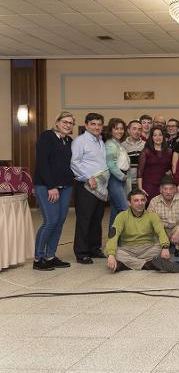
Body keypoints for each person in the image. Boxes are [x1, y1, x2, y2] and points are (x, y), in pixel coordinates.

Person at [33, 111, 75, 271]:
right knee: (50, 221)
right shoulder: (46, 137)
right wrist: (51, 186)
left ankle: (50, 256)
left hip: (66, 186)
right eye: (64, 121)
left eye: (70, 123)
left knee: (60, 221)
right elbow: (42, 163)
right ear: (57, 122)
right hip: (46, 186)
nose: (67, 125)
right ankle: (38, 258)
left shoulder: (69, 141)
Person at [105, 189, 179, 273]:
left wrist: (165, 247)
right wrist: (111, 254)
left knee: (159, 247)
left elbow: (161, 232)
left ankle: (124, 265)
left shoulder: (152, 216)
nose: (140, 203)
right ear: (129, 203)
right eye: (136, 201)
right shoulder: (121, 216)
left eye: (142, 200)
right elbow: (113, 236)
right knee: (109, 251)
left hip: (148, 248)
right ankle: (149, 265)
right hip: (128, 249)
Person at [71, 112, 108, 265]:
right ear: (86, 125)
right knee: (84, 219)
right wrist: (88, 177)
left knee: (97, 218)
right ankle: (81, 252)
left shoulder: (100, 141)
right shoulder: (80, 141)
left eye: (99, 124)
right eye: (93, 124)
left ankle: (94, 248)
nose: (96, 127)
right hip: (86, 185)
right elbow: (75, 163)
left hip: (100, 187)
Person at [147, 175, 179, 254]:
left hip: (175, 228)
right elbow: (150, 220)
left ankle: (178, 247)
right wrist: (162, 234)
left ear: (175, 190)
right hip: (161, 229)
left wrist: (177, 232)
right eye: (165, 189)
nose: (168, 192)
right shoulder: (154, 201)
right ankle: (164, 246)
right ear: (161, 190)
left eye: (171, 189)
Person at [105, 118, 131, 232]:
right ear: (111, 130)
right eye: (116, 128)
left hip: (120, 179)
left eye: (121, 129)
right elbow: (110, 164)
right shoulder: (110, 144)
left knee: (115, 213)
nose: (119, 131)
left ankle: (113, 242)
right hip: (115, 179)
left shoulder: (119, 144)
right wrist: (122, 177)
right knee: (125, 209)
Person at [137, 126, 173, 202]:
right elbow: (140, 171)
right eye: (155, 135)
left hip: (163, 186)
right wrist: (140, 188)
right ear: (151, 137)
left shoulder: (169, 152)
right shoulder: (146, 151)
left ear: (163, 137)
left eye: (160, 135)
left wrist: (169, 172)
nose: (158, 137)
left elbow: (170, 168)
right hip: (149, 185)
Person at [122, 120, 145, 189]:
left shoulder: (146, 145)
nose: (137, 132)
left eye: (139, 129)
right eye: (134, 129)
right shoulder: (122, 146)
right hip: (127, 183)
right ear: (128, 130)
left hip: (142, 182)